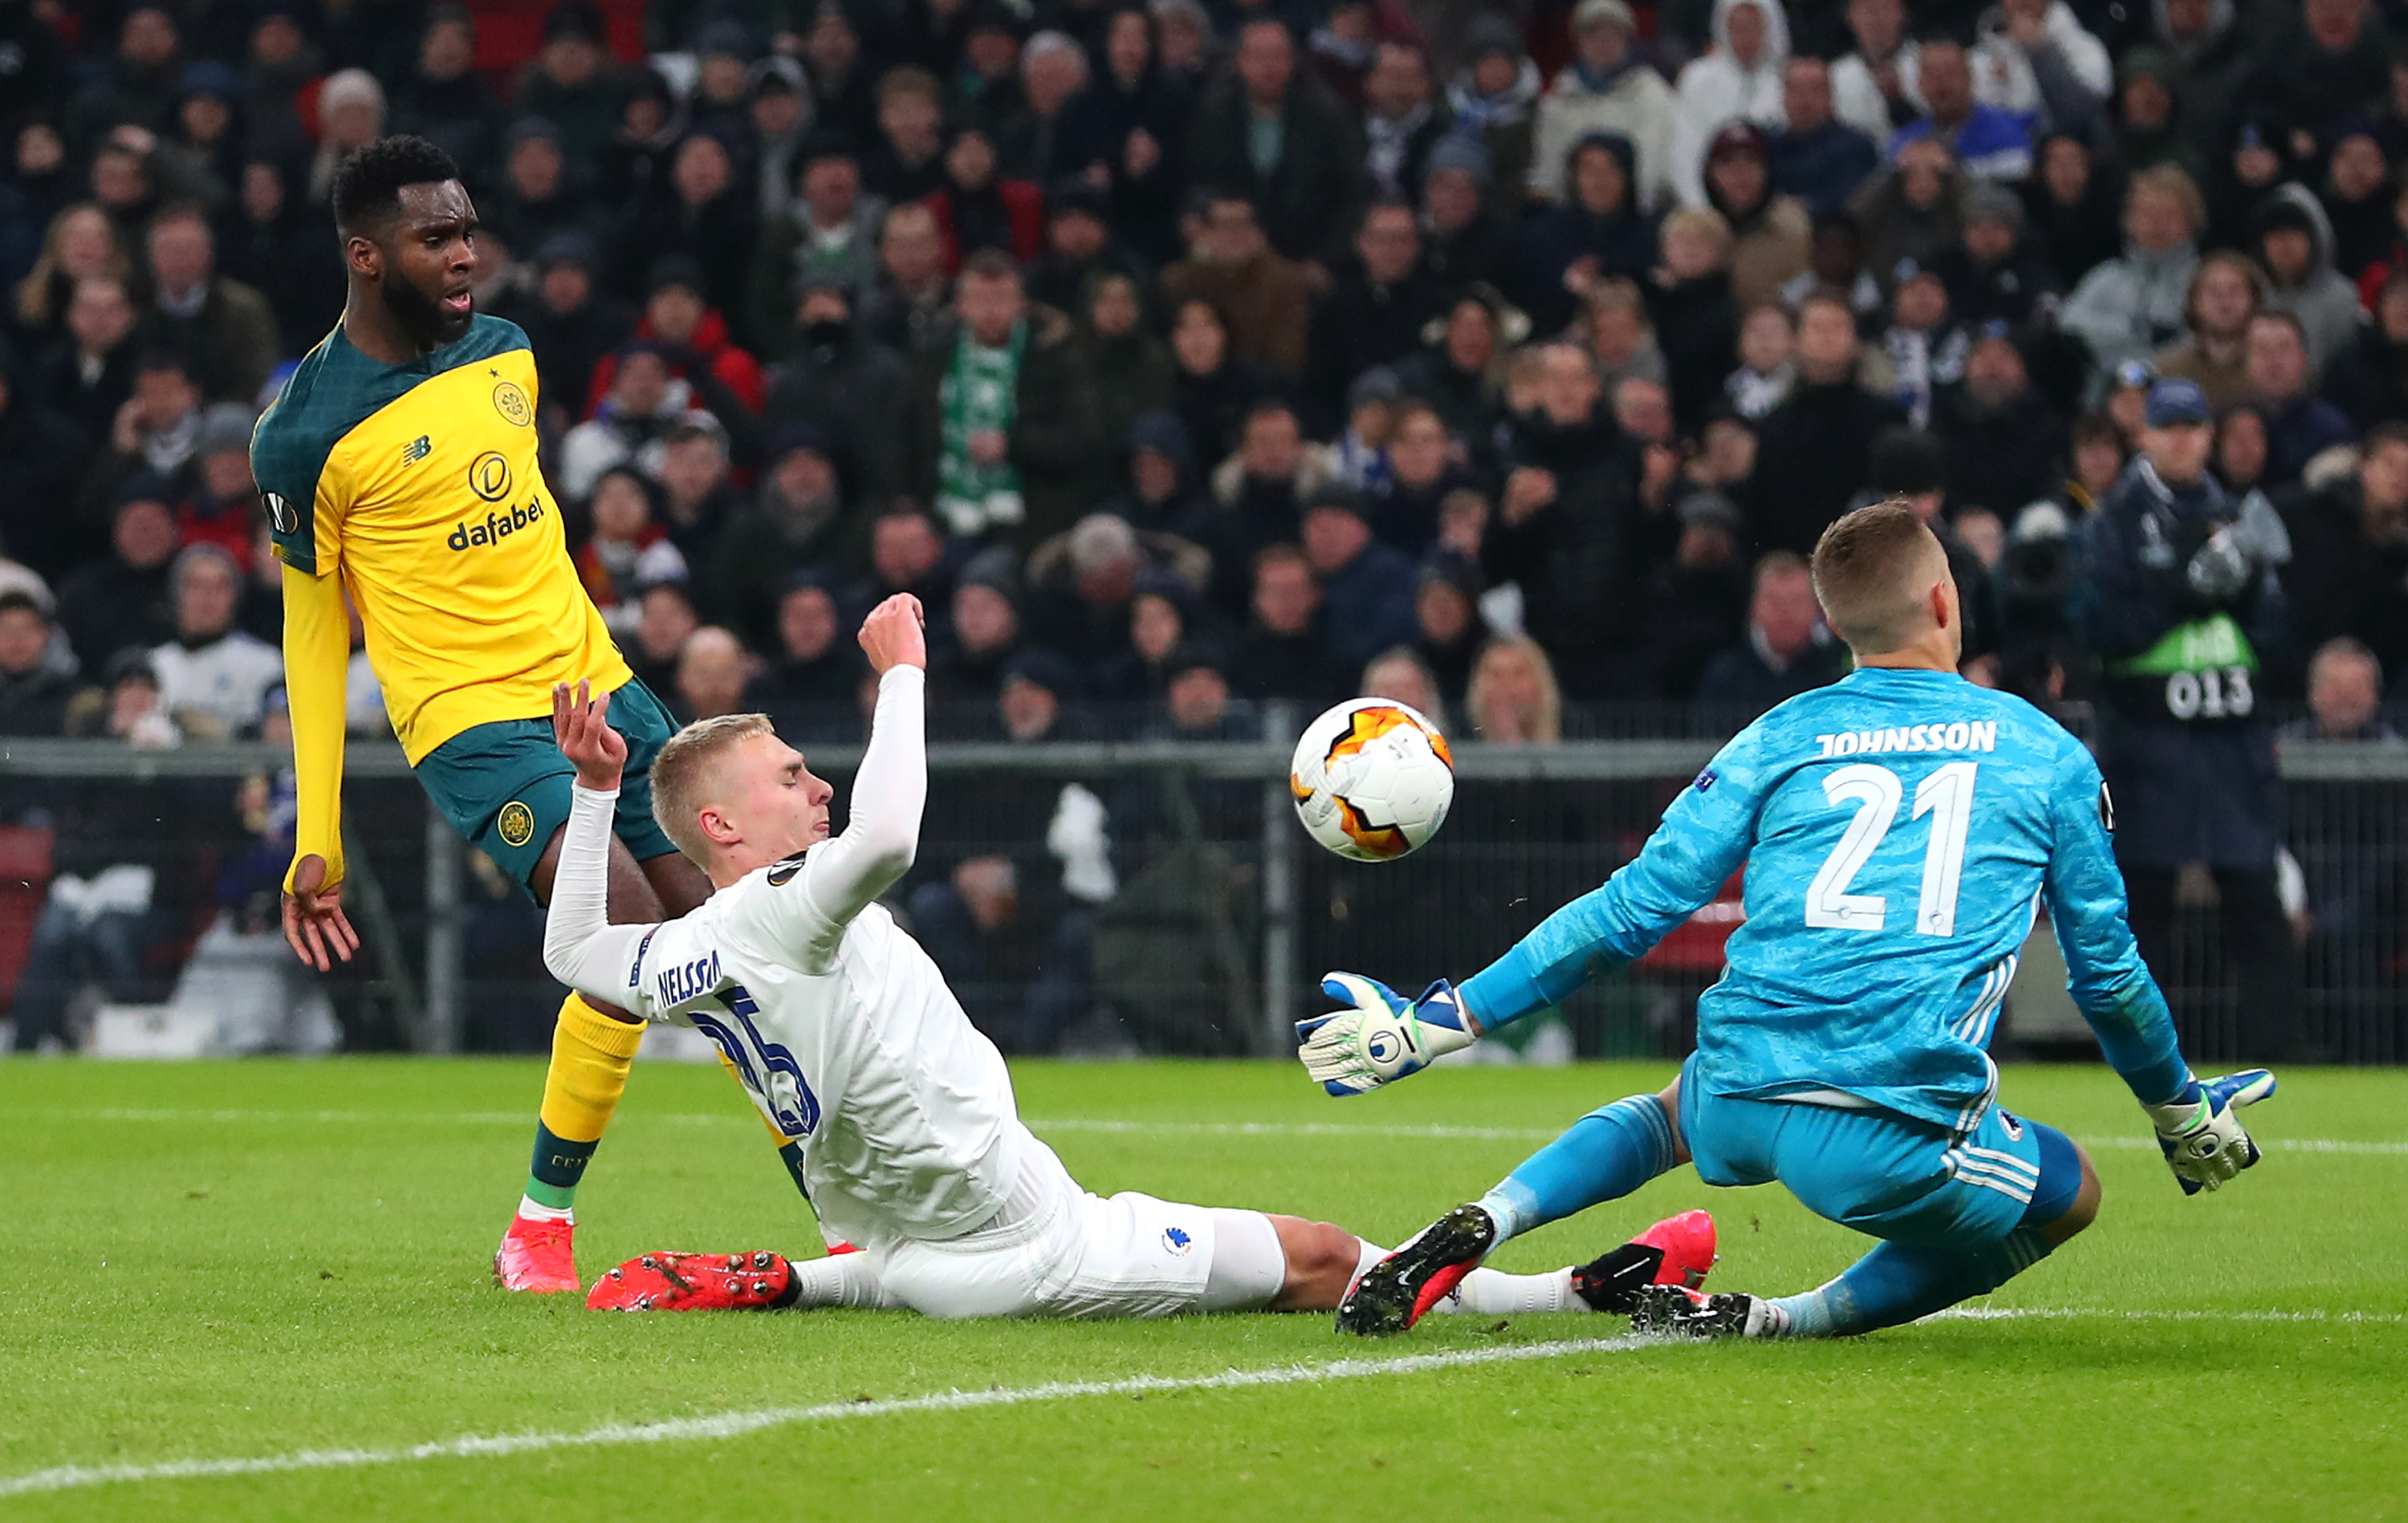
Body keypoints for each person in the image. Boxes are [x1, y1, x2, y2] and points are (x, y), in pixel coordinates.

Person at [539, 603, 1709, 1320]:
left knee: (889, 1253)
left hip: (902, 1247)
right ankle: (1571, 1290)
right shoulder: (787, 905)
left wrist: (595, 794)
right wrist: (904, 670)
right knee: (1317, 1257)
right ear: (724, 830)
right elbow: (892, 833)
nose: (819, 784)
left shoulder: (690, 946)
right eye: (789, 775)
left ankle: (795, 1279)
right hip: (1029, 1240)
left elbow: (577, 952)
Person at [1306, 498, 2276, 1341]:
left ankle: (1490, 1216)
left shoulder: (1781, 731)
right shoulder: (2043, 750)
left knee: (1667, 1114)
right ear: (1944, 601)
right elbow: (2104, 974)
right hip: (1883, 1126)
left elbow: (1632, 908)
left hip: (1737, 1093)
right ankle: (1786, 1316)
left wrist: (1437, 1022)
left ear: (1833, 620)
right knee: (2074, 1191)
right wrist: (2179, 1110)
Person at [248, 136, 762, 1301]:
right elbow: (315, 633)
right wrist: (313, 830)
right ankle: (540, 1225)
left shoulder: (510, 355)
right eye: (437, 237)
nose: (467, 252)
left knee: (749, 940)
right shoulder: (302, 432)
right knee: (624, 942)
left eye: (469, 227)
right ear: (367, 255)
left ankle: (850, 1215)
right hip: (477, 726)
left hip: (601, 688)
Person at [2072, 379, 2306, 1063]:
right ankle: (2140, 1058)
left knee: (2255, 903)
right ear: (2144, 434)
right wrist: (2181, 591)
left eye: (2193, 426)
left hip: (2231, 736)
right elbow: (2096, 627)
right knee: (2144, 909)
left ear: (2208, 434)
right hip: (2150, 739)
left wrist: (2235, 588)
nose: (2182, 439)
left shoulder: (2238, 514)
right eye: (2169, 427)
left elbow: (2278, 628)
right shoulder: (2112, 520)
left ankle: (2277, 1052)